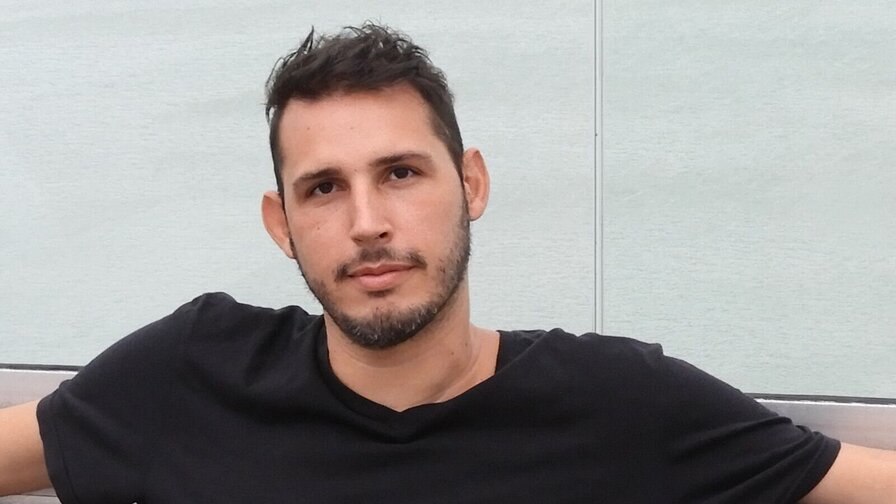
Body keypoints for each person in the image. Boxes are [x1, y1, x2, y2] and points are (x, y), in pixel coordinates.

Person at [1, 22, 894, 503]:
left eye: (400, 173)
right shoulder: (191, 375)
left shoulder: (619, 405)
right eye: (323, 188)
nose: (366, 224)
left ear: (471, 184)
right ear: (282, 224)